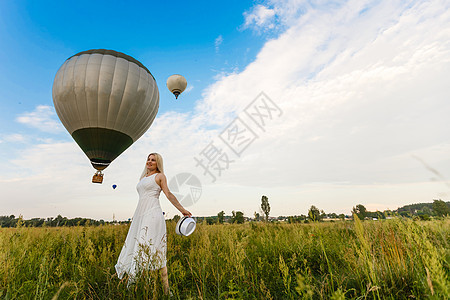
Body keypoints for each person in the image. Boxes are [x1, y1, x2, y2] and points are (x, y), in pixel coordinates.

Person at [115, 153, 192, 295]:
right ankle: (142, 287)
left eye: (153, 160)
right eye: (148, 159)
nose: (149, 162)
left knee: (155, 251)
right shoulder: (143, 177)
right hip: (140, 215)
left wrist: (182, 210)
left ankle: (164, 290)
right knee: (139, 247)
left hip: (152, 214)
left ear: (158, 163)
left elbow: (168, 194)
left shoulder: (160, 176)